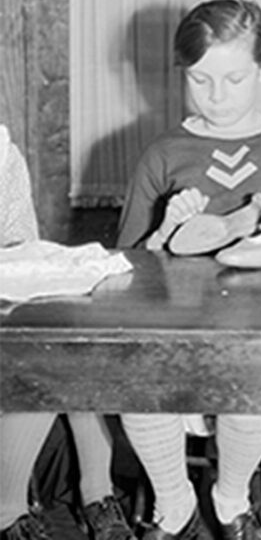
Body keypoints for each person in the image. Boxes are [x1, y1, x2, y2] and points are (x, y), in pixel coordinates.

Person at [115, 0, 261, 540]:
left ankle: (231, 497)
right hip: (173, 333)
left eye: (234, 78)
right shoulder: (162, 153)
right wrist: (162, 233)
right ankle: (174, 502)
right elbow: (124, 270)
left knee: (251, 393)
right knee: (137, 393)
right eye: (200, 80)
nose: (218, 96)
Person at [1, 126, 135, 540]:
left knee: (65, 343)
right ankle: (8, 514)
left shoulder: (3, 156)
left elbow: (20, 247)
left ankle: (97, 493)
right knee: (41, 361)